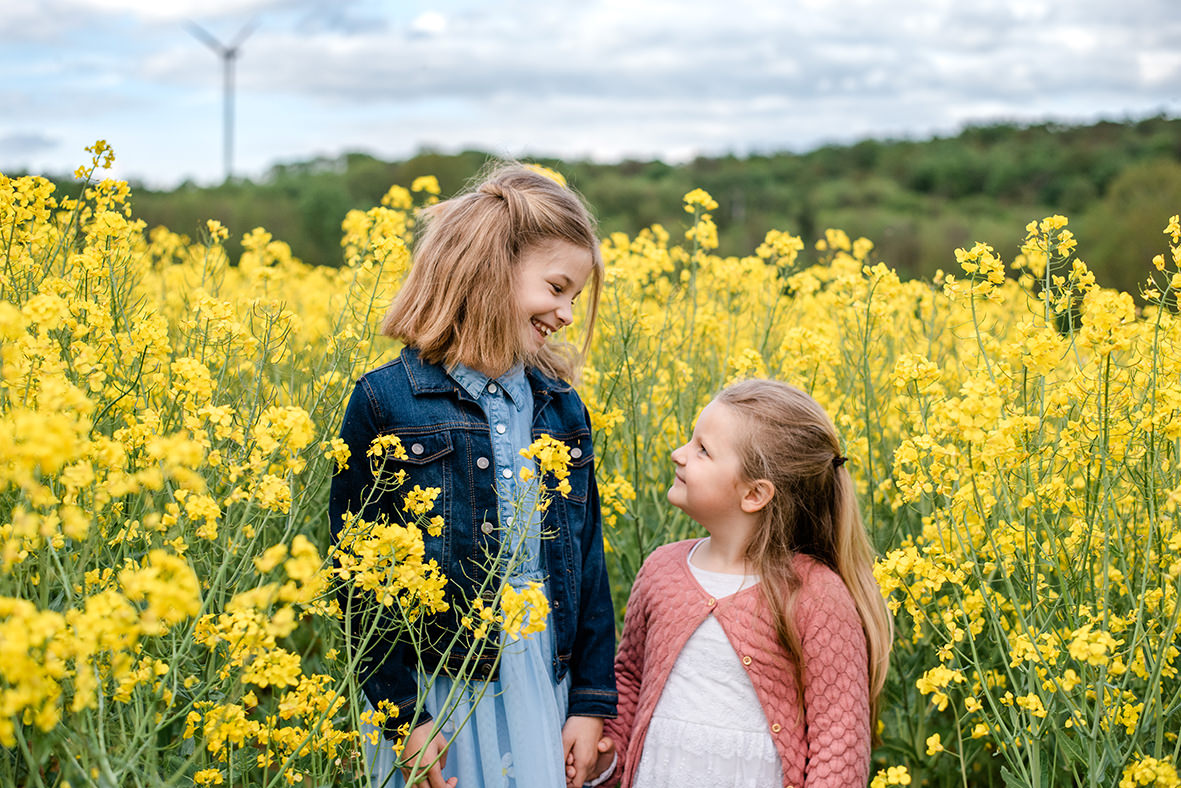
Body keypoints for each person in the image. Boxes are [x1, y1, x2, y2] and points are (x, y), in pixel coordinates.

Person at [329, 163, 617, 788]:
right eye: (558, 287)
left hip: (541, 676)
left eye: (576, 297)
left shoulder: (560, 405)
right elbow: (357, 581)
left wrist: (592, 699)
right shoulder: (386, 403)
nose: (567, 314)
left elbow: (586, 561)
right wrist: (402, 715)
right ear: (493, 267)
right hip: (439, 698)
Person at [590, 380, 893, 787]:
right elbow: (629, 679)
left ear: (754, 494)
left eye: (702, 450)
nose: (678, 454)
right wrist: (605, 762)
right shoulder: (661, 569)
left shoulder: (816, 594)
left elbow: (839, 740)